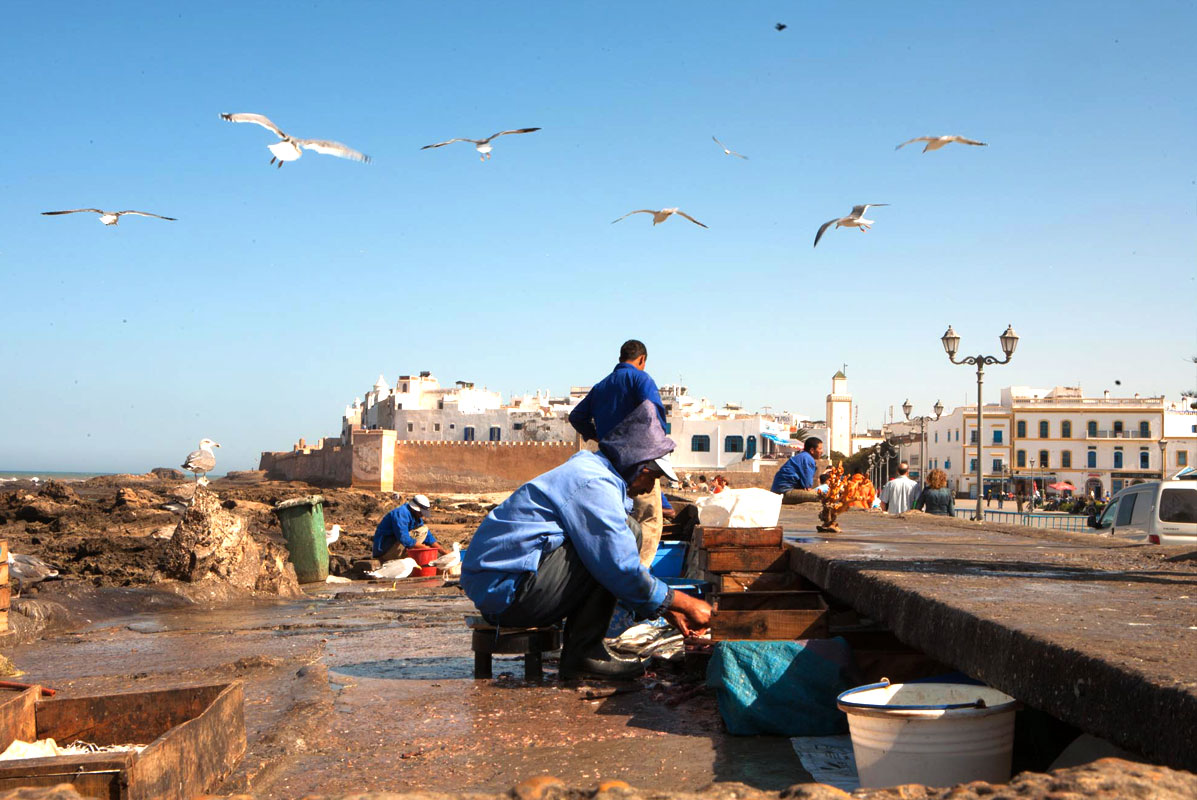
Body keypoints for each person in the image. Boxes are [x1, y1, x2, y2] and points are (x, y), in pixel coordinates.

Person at [462, 401, 711, 680]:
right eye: (652, 477)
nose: (650, 487)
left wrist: (666, 611)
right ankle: (584, 652)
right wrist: (684, 603)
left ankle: (585, 648)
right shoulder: (593, 483)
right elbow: (620, 567)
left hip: (505, 586)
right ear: (640, 467)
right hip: (508, 594)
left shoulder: (591, 470)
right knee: (619, 542)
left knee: (626, 533)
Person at [569, 339, 668, 566]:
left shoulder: (601, 386)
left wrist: (597, 436)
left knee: (617, 519)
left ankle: (613, 578)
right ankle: (638, 580)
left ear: (620, 358)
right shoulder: (641, 378)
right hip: (637, 463)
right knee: (648, 519)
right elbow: (653, 411)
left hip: (607, 463)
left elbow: (576, 417)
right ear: (642, 359)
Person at [372, 494, 450, 561]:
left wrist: (442, 551)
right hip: (386, 550)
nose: (422, 515)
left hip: (396, 547)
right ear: (415, 509)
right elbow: (404, 539)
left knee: (424, 529)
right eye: (421, 513)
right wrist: (425, 548)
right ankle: (406, 556)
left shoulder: (415, 516)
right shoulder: (401, 514)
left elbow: (428, 536)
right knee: (421, 532)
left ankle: (408, 555)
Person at [771, 437, 823, 503]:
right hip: (784, 492)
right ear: (812, 450)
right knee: (820, 496)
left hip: (779, 491)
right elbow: (807, 486)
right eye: (820, 449)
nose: (822, 451)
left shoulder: (802, 456)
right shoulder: (808, 459)